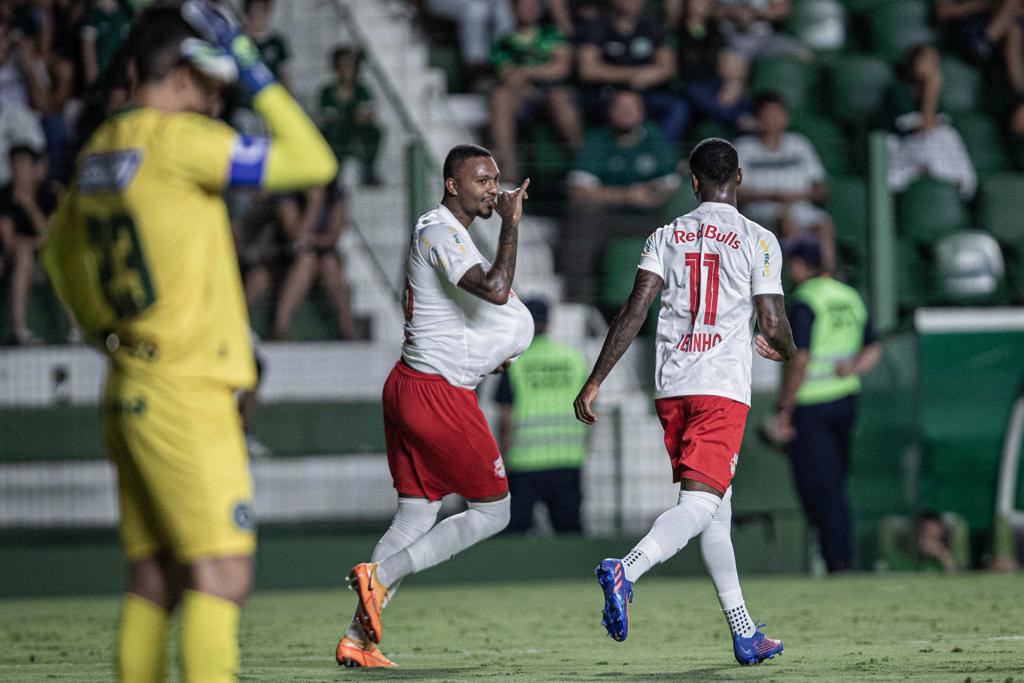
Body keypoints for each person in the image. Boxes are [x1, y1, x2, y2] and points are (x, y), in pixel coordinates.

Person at [41, 3, 337, 681]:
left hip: (132, 382)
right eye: (209, 82)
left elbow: (57, 255)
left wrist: (105, 332)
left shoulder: (100, 149)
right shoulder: (179, 142)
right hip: (186, 391)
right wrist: (256, 70)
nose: (215, 97)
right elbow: (312, 159)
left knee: (153, 576)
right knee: (222, 572)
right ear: (178, 72)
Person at [573, 137, 796, 665]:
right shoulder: (758, 239)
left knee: (716, 510)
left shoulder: (664, 235)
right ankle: (627, 569)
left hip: (672, 387)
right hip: (721, 387)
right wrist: (786, 349)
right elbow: (771, 321)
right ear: (738, 177)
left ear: (693, 183)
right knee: (699, 505)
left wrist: (595, 379)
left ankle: (744, 632)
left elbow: (634, 310)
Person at [338, 145, 533, 668]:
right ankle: (377, 578)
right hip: (436, 394)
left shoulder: (449, 231)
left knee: (415, 515)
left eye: (496, 180)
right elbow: (494, 289)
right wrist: (511, 222)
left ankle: (357, 641)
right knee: (494, 511)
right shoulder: (441, 229)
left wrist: (493, 350)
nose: (494, 189)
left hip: (410, 384)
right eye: (482, 181)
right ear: (452, 185)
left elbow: (463, 314)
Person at [768, 236, 881, 573]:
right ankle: (838, 555)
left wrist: (784, 408)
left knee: (818, 486)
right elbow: (873, 347)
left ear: (802, 266)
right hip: (846, 400)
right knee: (836, 483)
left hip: (812, 406)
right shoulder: (849, 296)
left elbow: (799, 359)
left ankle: (836, 560)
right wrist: (852, 368)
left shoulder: (806, 301)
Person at [563, 88, 680, 303]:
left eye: (633, 107)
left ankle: (684, 299)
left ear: (642, 112)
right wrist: (627, 195)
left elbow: (672, 182)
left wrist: (651, 193)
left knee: (684, 224)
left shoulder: (653, 137)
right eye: (621, 107)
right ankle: (576, 300)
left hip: (652, 217)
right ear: (610, 111)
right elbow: (579, 189)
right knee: (582, 220)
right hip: (609, 217)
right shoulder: (598, 140)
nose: (627, 112)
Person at [495, 298, 589, 533]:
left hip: (523, 462)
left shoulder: (514, 362)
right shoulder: (573, 358)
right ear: (550, 321)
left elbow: (505, 417)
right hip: (568, 459)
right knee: (570, 535)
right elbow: (589, 410)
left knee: (513, 535)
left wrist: (503, 457)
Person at [733, 91, 835, 269]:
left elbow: (821, 187)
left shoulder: (799, 144)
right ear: (757, 118)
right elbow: (733, 193)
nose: (772, 120)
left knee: (822, 223)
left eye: (777, 114)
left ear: (786, 118)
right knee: (784, 218)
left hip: (800, 204)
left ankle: (827, 274)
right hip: (759, 209)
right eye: (767, 115)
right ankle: (795, 275)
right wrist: (773, 196)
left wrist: (799, 196)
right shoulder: (743, 148)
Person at [488, 0, 581, 184]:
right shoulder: (503, 41)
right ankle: (508, 172)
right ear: (513, 10)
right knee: (500, 97)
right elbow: (507, 74)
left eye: (531, 5)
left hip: (552, 93)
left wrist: (525, 71)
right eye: (522, 5)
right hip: (521, 97)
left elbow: (562, 68)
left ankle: (582, 164)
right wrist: (540, 72)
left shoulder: (552, 34)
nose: (527, 10)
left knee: (559, 98)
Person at [577, 0, 685, 141]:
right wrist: (632, 76)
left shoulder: (652, 25)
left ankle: (660, 154)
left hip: (645, 93)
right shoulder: (598, 26)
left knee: (677, 107)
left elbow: (668, 67)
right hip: (608, 93)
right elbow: (587, 71)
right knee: (618, 108)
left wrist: (650, 77)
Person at [885, 43, 977, 200]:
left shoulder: (936, 95)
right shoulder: (899, 91)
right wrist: (932, 87)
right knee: (931, 140)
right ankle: (939, 177)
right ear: (913, 62)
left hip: (931, 147)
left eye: (935, 63)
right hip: (905, 148)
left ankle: (952, 181)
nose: (931, 67)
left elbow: (937, 124)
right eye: (926, 61)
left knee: (948, 136)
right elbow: (924, 128)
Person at [271, 182, 362, 340]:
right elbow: (295, 236)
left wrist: (312, 240)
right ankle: (280, 326)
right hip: (290, 258)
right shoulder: (288, 195)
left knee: (329, 264)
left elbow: (333, 236)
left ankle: (347, 326)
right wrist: (313, 204)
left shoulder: (336, 194)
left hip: (324, 254)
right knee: (306, 261)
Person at [0, 145, 60, 345]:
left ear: (35, 167)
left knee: (65, 260)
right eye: (15, 164)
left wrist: (28, 204)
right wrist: (35, 243)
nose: (19, 170)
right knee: (22, 256)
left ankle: (78, 331)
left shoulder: (48, 194)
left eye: (23, 164)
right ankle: (20, 333)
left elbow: (49, 235)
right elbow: (8, 242)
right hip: (13, 261)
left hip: (47, 258)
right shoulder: (4, 195)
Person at [318, 46, 382, 186]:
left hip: (357, 131)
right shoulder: (328, 91)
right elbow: (328, 117)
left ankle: (368, 171)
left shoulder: (362, 90)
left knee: (375, 132)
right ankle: (331, 173)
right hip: (337, 133)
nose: (347, 70)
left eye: (350, 65)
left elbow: (367, 114)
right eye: (343, 65)